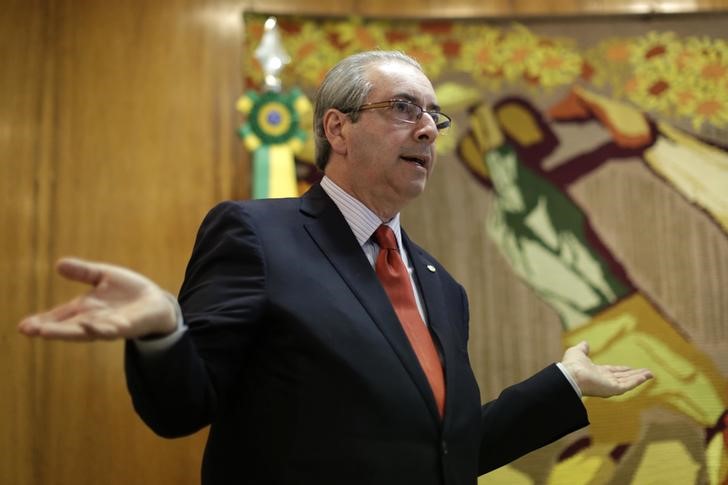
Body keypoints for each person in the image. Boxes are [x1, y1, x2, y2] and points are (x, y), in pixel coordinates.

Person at [18, 50, 652, 485]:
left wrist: (562, 385)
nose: (428, 129)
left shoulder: (443, 288)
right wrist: (162, 333)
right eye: (405, 108)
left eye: (435, 115)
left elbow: (441, 454)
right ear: (337, 129)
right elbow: (183, 407)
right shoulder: (258, 235)